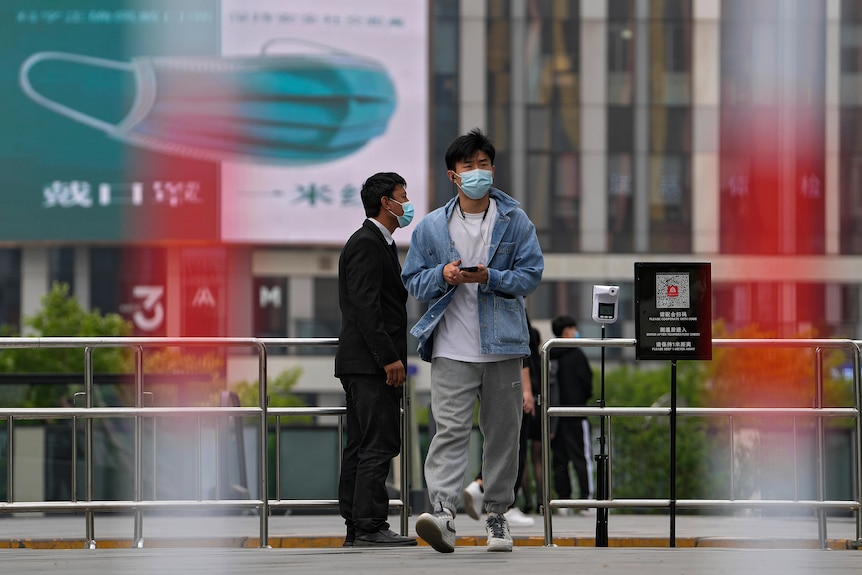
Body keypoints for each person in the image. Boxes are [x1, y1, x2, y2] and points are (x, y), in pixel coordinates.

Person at [402, 128, 544, 553]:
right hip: (450, 346)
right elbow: (412, 279)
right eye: (469, 166)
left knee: (503, 434)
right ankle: (443, 515)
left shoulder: (515, 221)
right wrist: (442, 275)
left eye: (484, 164)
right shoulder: (431, 227)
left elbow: (532, 274)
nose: (478, 172)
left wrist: (491, 277)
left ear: (493, 169)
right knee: (448, 431)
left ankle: (497, 517)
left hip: (502, 345)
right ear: (453, 175)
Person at [335, 172, 417, 548]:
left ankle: (357, 524)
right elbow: (367, 307)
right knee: (378, 442)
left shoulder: (377, 242)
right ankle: (369, 524)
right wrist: (388, 359)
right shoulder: (368, 243)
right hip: (370, 365)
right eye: (403, 195)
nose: (407, 202)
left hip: (362, 362)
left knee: (362, 442)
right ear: (387, 202)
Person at [462, 314, 539, 527]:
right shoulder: (515, 313)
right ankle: (505, 505)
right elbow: (522, 357)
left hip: (503, 377)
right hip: (515, 385)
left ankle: (479, 485)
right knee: (513, 443)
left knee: (499, 439)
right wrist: (527, 389)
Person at [549, 315, 594, 512]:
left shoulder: (549, 354)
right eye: (573, 329)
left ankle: (563, 501)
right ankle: (586, 500)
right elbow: (587, 384)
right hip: (577, 413)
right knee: (581, 458)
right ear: (567, 331)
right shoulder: (577, 355)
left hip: (555, 417)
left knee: (559, 460)